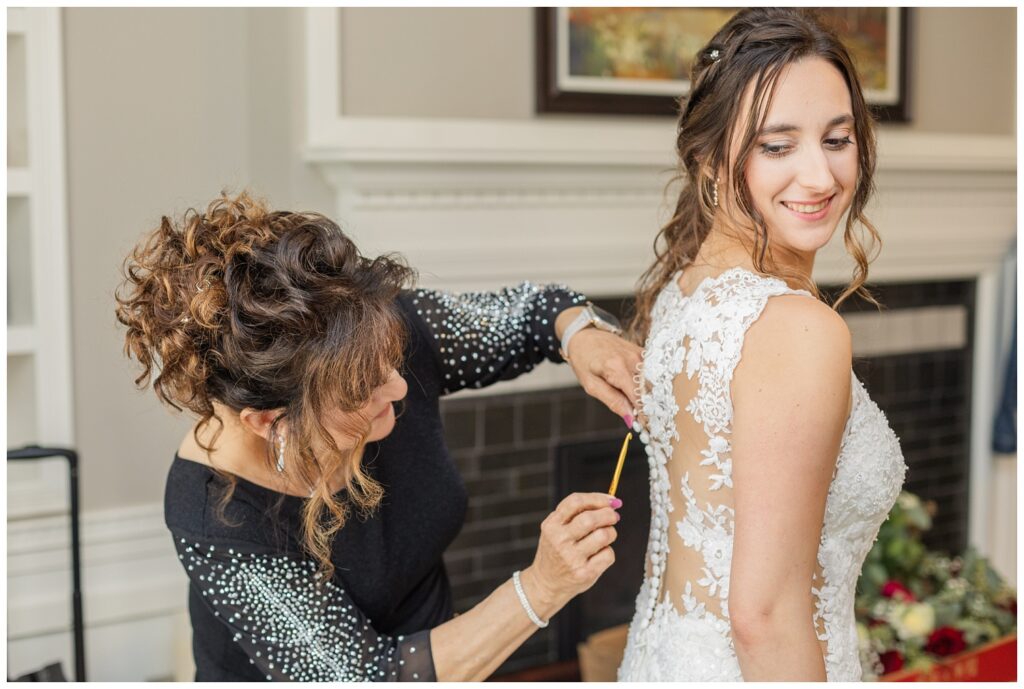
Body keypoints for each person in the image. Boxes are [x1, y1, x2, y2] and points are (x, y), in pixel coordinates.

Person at [115, 192, 643, 681]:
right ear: (268, 420)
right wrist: (543, 586)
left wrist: (581, 335)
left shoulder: (373, 338)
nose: (396, 385)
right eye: (360, 390)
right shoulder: (214, 515)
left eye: (389, 361)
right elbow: (368, 678)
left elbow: (536, 312)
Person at [617, 8, 907, 681]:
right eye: (777, 146)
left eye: (838, 138)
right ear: (711, 156)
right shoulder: (799, 329)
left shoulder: (686, 288)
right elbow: (765, 614)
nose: (820, 176)